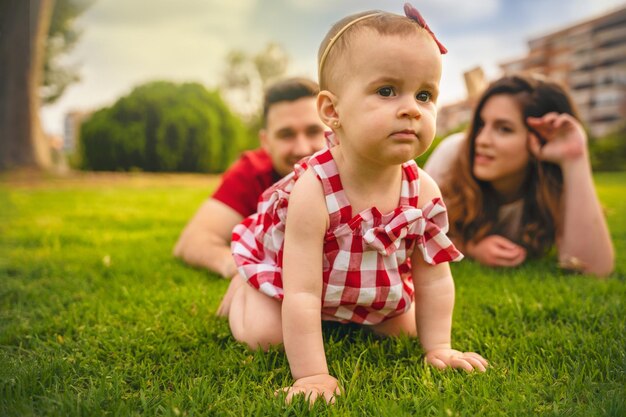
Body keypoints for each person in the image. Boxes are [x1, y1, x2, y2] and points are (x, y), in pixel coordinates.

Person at [220, 4, 488, 405]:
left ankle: (352, 315)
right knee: (264, 336)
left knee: (410, 329)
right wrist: (312, 375)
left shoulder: (424, 190)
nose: (412, 108)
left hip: (365, 287)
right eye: (386, 91)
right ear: (332, 111)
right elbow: (304, 292)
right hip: (292, 280)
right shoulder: (315, 189)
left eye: (425, 94)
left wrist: (440, 348)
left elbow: (433, 278)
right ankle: (243, 285)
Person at [424, 74, 614, 276]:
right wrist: (470, 248)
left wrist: (574, 158)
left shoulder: (549, 188)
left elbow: (593, 269)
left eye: (504, 129)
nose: (482, 140)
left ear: (540, 138)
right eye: (481, 124)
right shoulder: (452, 153)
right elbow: (412, 232)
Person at [173, 77, 326, 278]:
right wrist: (244, 270)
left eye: (313, 131)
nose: (302, 148)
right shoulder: (252, 172)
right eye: (286, 134)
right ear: (266, 141)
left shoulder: (362, 169)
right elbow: (192, 241)